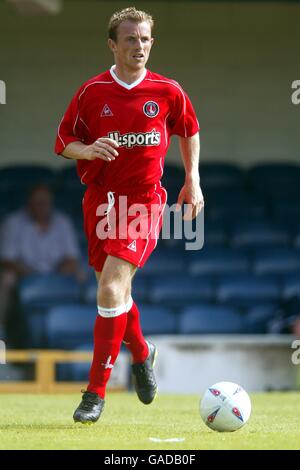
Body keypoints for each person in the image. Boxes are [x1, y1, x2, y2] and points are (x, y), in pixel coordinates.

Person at [54, 6, 204, 425]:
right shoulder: (92, 92)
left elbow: (189, 129)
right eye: (131, 39)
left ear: (152, 42)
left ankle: (95, 394)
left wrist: (192, 179)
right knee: (114, 292)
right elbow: (64, 139)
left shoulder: (168, 91)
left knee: (109, 289)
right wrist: (87, 149)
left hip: (143, 202)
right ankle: (141, 353)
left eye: (145, 39)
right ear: (112, 44)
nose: (139, 46)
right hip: (100, 201)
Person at [0, 184, 82, 339]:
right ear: (29, 203)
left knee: (82, 274)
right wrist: (32, 276)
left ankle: (84, 328)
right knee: (6, 278)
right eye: (37, 202)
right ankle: (1, 330)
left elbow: (72, 258)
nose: (42, 206)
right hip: (23, 274)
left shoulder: (62, 222)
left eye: (45, 202)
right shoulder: (13, 222)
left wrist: (55, 277)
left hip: (57, 274)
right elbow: (7, 260)